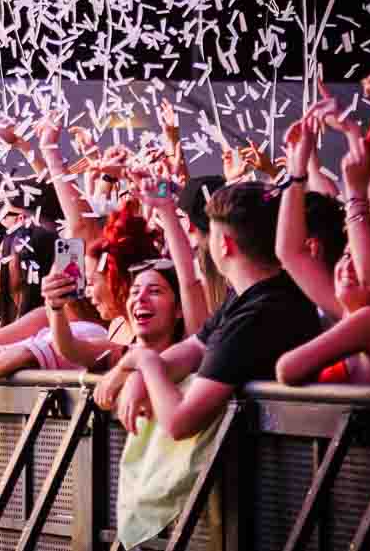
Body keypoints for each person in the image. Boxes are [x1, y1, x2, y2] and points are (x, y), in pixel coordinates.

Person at [100, 182, 321, 440]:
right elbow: (195, 348)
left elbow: (179, 423)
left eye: (210, 234)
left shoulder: (257, 315)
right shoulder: (247, 297)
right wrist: (140, 371)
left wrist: (145, 362)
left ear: (225, 244)